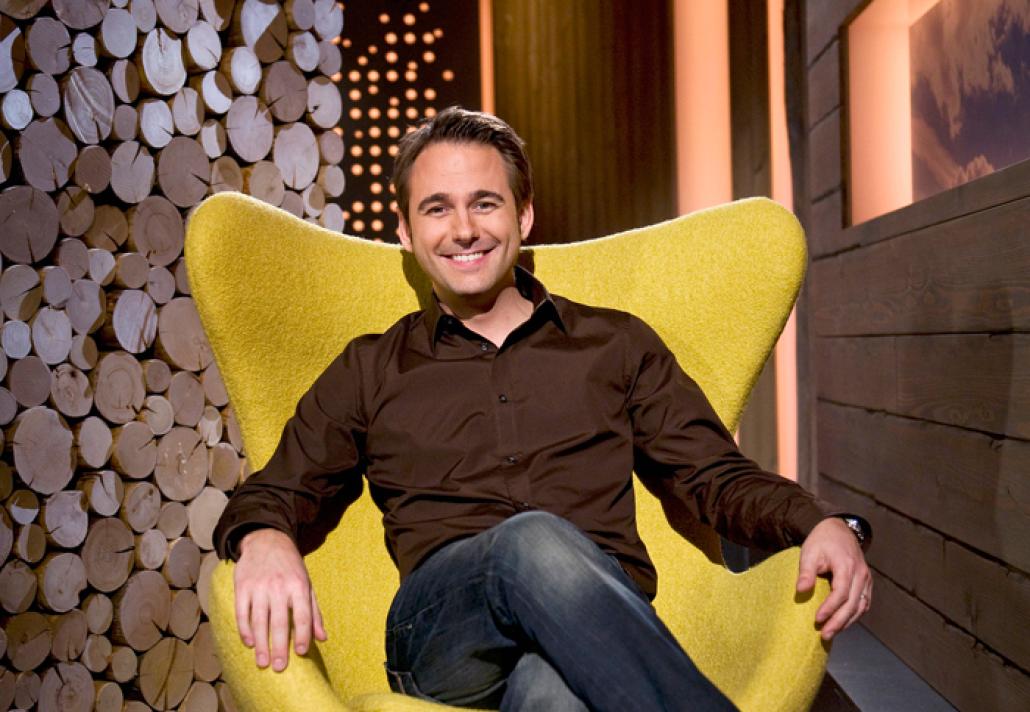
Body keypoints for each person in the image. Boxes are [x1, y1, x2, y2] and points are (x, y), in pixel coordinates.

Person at [213, 107, 872, 711]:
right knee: (529, 541)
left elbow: (713, 475)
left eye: (485, 203)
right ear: (407, 232)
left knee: (553, 694)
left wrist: (818, 521)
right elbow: (278, 487)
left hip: (597, 623)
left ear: (523, 216)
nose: (464, 229)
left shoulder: (615, 344)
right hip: (444, 636)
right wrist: (264, 537)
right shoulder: (371, 367)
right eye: (437, 209)